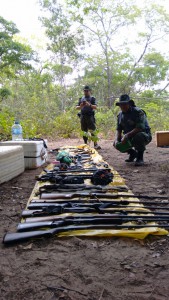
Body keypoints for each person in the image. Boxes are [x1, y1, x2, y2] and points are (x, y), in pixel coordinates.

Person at [113, 94, 152, 166]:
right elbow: (119, 129)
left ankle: (140, 158)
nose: (123, 106)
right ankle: (133, 153)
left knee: (138, 136)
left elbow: (140, 128)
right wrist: (117, 139)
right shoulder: (120, 115)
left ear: (129, 104)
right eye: (121, 104)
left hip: (144, 136)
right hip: (129, 136)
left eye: (125, 104)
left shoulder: (138, 112)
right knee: (116, 143)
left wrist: (126, 135)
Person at [76, 85, 101, 149]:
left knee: (93, 130)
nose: (86, 92)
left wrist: (89, 104)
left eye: (87, 91)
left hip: (90, 116)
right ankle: (85, 144)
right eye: (85, 91)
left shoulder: (92, 98)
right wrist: (81, 106)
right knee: (84, 131)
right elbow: (77, 107)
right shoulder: (81, 99)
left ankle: (95, 144)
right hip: (83, 116)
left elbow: (95, 107)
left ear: (90, 91)